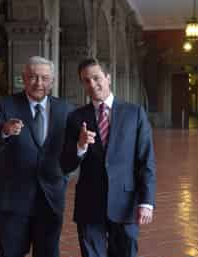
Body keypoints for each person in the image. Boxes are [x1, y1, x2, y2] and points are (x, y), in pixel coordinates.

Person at [60, 58, 156, 257]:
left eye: (96, 78)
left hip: (125, 201)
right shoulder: (76, 117)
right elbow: (65, 164)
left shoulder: (134, 113)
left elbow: (145, 160)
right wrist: (80, 146)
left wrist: (146, 201)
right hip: (89, 203)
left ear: (108, 78)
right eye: (86, 81)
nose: (92, 84)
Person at [0, 56, 74, 257]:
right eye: (33, 77)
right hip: (12, 201)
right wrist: (4, 130)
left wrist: (62, 178)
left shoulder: (66, 110)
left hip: (50, 200)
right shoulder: (4, 105)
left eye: (44, 78)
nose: (38, 83)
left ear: (52, 81)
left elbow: (71, 154)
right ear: (24, 78)